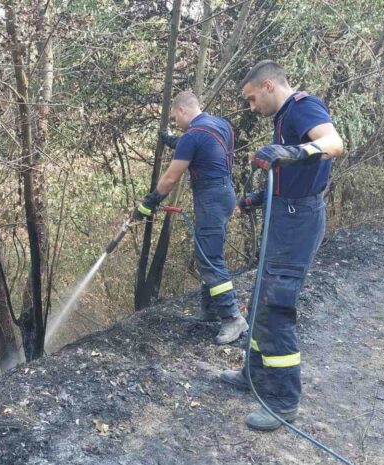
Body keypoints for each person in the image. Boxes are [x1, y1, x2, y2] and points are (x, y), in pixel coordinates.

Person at [221, 60, 344, 431]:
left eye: (252, 98)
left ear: (269, 85)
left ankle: (283, 401)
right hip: (286, 215)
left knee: (276, 305)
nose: (251, 106)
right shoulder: (283, 117)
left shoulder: (304, 106)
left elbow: (333, 144)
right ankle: (254, 376)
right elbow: (295, 176)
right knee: (260, 298)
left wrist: (291, 153)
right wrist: (258, 197)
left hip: (299, 223)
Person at [134, 90, 248, 345]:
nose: (176, 123)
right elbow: (207, 148)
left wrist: (149, 202)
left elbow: (171, 178)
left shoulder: (192, 136)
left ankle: (232, 318)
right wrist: (175, 141)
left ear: (182, 110)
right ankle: (210, 310)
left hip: (210, 198)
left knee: (209, 258)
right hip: (225, 194)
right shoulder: (221, 125)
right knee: (207, 251)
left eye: (175, 118)